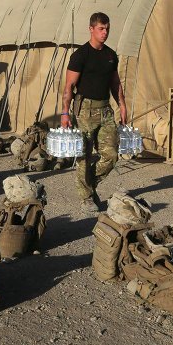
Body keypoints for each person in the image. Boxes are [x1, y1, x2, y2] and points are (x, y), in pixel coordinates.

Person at [61, 12, 127, 212]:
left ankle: (89, 184)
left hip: (105, 109)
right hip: (85, 109)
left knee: (111, 154)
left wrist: (122, 106)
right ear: (91, 29)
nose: (105, 32)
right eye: (101, 28)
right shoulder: (80, 55)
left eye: (107, 29)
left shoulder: (110, 55)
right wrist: (65, 113)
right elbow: (69, 87)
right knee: (85, 155)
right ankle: (86, 198)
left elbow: (115, 83)